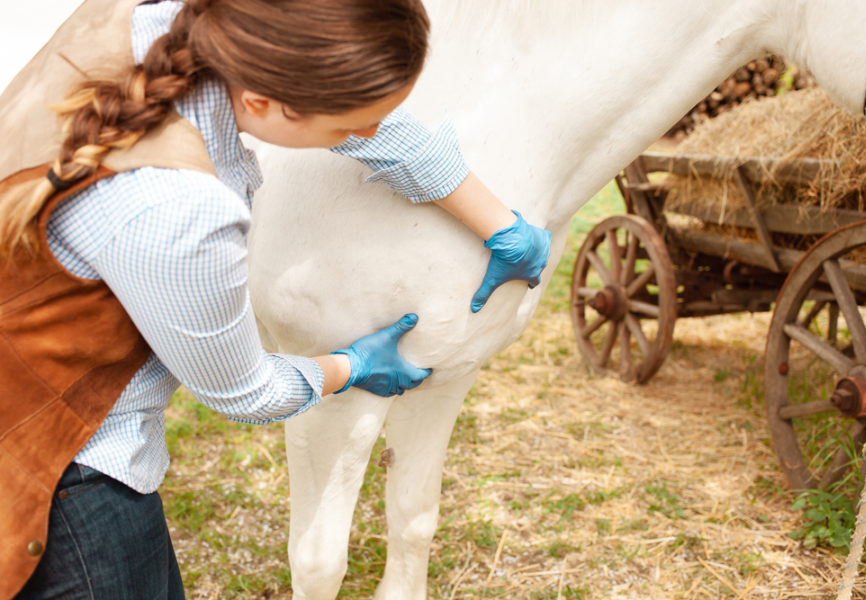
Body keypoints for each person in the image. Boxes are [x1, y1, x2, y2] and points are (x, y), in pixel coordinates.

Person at [0, 0, 551, 598]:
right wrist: (351, 366)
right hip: (60, 470)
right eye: (346, 129)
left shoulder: (183, 24)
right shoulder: (180, 210)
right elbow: (242, 391)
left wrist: (498, 222)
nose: (362, 137)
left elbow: (376, 129)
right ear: (264, 103)